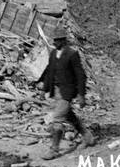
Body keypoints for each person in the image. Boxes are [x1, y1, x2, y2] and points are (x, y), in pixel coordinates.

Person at [38, 28, 97, 159]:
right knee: (69, 116)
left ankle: (54, 149)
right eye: (54, 40)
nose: (55, 43)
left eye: (57, 40)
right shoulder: (53, 53)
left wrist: (81, 95)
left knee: (57, 119)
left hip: (67, 92)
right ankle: (88, 137)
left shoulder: (72, 54)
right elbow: (49, 71)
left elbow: (81, 75)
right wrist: (44, 88)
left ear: (63, 41)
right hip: (56, 90)